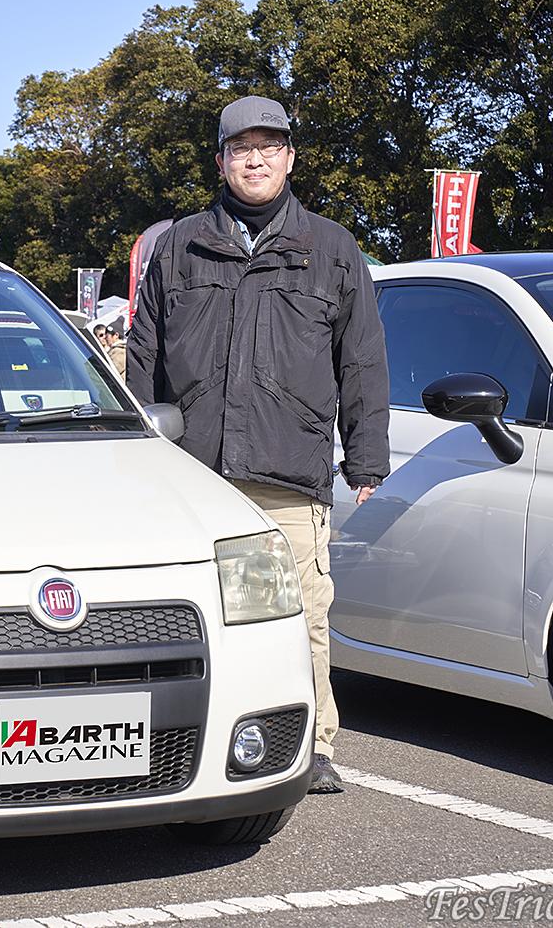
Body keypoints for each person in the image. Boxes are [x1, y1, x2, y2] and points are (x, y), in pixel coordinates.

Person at [125, 95, 389, 795]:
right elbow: (143, 357)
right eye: (242, 148)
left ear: (290, 158)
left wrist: (366, 457)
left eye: (270, 146)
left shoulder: (331, 248)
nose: (256, 159)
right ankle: (179, 738)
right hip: (192, 474)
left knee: (302, 614)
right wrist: (136, 455)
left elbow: (362, 360)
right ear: (221, 161)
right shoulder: (179, 245)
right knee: (185, 614)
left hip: (288, 470)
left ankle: (314, 743)